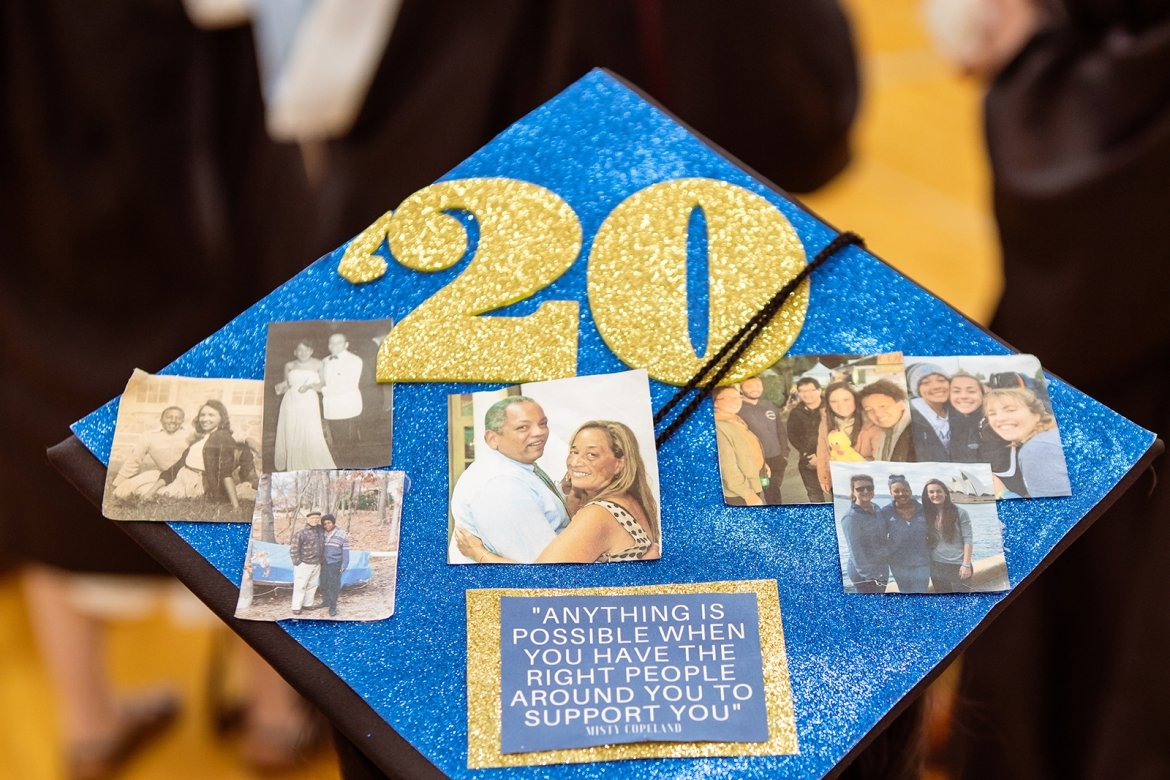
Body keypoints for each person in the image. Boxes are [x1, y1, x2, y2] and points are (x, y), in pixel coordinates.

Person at [456, 420, 659, 563]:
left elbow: (543, 584)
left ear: (619, 464)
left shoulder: (598, 514)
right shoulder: (630, 501)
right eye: (574, 451)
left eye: (592, 455)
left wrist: (478, 554)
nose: (576, 462)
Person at [448, 397, 570, 563]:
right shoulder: (501, 486)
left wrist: (564, 491)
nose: (539, 432)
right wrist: (480, 554)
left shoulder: (515, 466)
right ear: (493, 439)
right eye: (523, 427)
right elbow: (542, 571)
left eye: (542, 423)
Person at [143, 400, 249, 510]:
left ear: (221, 417)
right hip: (182, 476)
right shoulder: (203, 436)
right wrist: (151, 491)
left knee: (145, 490)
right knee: (144, 485)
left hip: (197, 484)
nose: (205, 419)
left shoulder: (222, 438)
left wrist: (236, 506)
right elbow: (178, 466)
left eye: (211, 415)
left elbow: (225, 473)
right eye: (202, 415)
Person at [983, 387, 1070, 497]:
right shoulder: (1046, 438)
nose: (999, 418)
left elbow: (1056, 509)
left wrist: (1002, 493)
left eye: (1010, 410)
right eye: (992, 413)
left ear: (1036, 415)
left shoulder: (1036, 449)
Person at [273, 339, 336, 471]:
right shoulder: (289, 365)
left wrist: (309, 386)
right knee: (292, 431)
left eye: (307, 350)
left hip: (309, 401)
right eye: (300, 350)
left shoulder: (319, 364)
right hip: (291, 402)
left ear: (311, 351)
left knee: (310, 431)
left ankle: (314, 463)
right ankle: (295, 465)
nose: (303, 353)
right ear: (295, 352)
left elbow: (323, 384)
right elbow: (287, 385)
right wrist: (280, 387)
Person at [111, 406, 191, 499]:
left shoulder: (190, 435)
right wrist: (118, 482)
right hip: (161, 474)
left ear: (182, 421)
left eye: (178, 418)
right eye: (169, 417)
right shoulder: (149, 436)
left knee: (165, 492)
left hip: (184, 476)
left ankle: (163, 491)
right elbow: (134, 460)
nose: (173, 421)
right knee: (125, 487)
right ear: (161, 420)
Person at [816, 381, 878, 494]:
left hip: (867, 482)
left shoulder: (871, 419)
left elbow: (881, 455)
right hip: (839, 480)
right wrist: (824, 477)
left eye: (846, 399)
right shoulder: (826, 422)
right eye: (834, 401)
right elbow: (822, 450)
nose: (841, 405)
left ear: (855, 398)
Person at [712, 386, 766, 506]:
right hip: (740, 493)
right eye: (729, 398)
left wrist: (763, 464)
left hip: (753, 482)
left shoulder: (735, 419)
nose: (736, 401)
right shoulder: (718, 427)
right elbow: (728, 468)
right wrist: (748, 494)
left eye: (738, 397)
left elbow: (747, 447)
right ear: (715, 402)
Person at [736, 376, 788, 503]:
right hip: (755, 461)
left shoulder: (769, 405)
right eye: (749, 386)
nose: (755, 389)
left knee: (773, 491)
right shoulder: (737, 409)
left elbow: (780, 430)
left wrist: (785, 453)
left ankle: (775, 517)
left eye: (758, 386)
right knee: (756, 493)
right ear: (741, 389)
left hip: (776, 459)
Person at [922, 479, 973, 593]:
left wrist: (966, 564)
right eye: (931, 492)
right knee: (944, 601)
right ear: (927, 495)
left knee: (962, 602)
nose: (935, 495)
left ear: (945, 492)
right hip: (936, 566)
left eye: (939, 491)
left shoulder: (960, 512)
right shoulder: (926, 513)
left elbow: (968, 539)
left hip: (958, 565)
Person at [841, 474, 889, 593]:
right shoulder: (850, 518)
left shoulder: (876, 508)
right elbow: (856, 551)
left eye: (869, 487)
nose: (866, 491)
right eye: (860, 489)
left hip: (881, 568)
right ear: (853, 491)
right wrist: (871, 576)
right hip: (864, 574)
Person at [882, 474, 930, 593]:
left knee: (920, 594)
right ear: (890, 493)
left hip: (922, 563)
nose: (901, 494)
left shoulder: (924, 509)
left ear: (910, 491)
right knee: (905, 594)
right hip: (898, 564)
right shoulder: (885, 512)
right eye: (896, 491)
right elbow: (879, 537)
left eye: (905, 490)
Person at [320, 333, 363, 462]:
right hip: (331, 409)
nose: (334, 345)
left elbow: (349, 385)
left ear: (346, 344)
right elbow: (317, 380)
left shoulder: (355, 360)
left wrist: (322, 390)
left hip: (348, 408)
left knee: (350, 445)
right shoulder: (323, 361)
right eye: (331, 342)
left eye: (338, 342)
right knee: (336, 445)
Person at [906, 363, 960, 462]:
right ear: (917, 390)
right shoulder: (908, 416)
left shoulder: (959, 409)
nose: (936, 386)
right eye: (926, 383)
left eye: (941, 380)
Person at [787, 377, 826, 502]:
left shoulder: (830, 408)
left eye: (811, 390)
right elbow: (793, 436)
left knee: (838, 494)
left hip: (832, 459)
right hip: (808, 461)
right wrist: (807, 454)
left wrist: (822, 456)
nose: (807, 394)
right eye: (802, 391)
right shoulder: (796, 413)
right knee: (814, 495)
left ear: (819, 390)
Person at [858, 380, 915, 461]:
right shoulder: (884, 432)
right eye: (869, 410)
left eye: (883, 406)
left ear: (901, 404)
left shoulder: (917, 433)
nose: (878, 414)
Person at [289, 512, 325, 616]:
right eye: (313, 518)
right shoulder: (301, 532)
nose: (315, 520)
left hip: (317, 563)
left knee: (313, 585)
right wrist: (298, 563)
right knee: (300, 586)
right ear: (307, 519)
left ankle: (307, 604)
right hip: (304, 564)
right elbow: (294, 549)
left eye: (317, 518)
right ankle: (296, 607)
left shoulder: (320, 531)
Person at [319, 514, 349, 617]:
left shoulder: (342, 533)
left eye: (329, 523)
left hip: (335, 563)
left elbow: (345, 551)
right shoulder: (322, 533)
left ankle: (333, 607)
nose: (327, 525)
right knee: (323, 583)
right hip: (323, 562)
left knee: (333, 585)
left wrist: (344, 564)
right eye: (325, 524)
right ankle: (325, 601)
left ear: (333, 522)